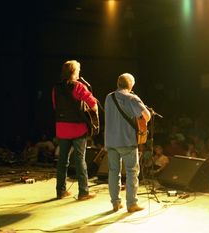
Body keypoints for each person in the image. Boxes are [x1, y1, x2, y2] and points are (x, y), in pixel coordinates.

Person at [104, 73, 151, 213]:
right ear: (130, 85)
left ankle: (115, 203)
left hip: (111, 142)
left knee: (113, 172)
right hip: (126, 141)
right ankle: (131, 204)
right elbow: (146, 116)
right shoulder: (132, 98)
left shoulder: (109, 97)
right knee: (131, 172)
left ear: (118, 83)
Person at [52, 60, 98, 200]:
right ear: (73, 72)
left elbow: (55, 106)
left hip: (62, 128)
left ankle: (61, 191)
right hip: (78, 129)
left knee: (62, 161)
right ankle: (83, 192)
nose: (79, 73)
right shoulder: (79, 86)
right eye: (78, 71)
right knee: (80, 160)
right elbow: (94, 105)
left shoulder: (56, 88)